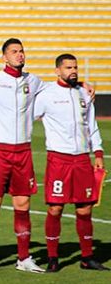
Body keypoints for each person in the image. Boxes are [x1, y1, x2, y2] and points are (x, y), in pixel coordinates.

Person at [35, 54, 108, 272]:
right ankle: (53, 257)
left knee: (85, 210)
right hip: (59, 159)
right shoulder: (47, 95)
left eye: (75, 67)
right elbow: (25, 115)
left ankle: (87, 257)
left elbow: (91, 125)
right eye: (68, 67)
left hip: (83, 160)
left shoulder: (84, 93)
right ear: (57, 70)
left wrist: (98, 153)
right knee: (55, 208)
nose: (73, 70)